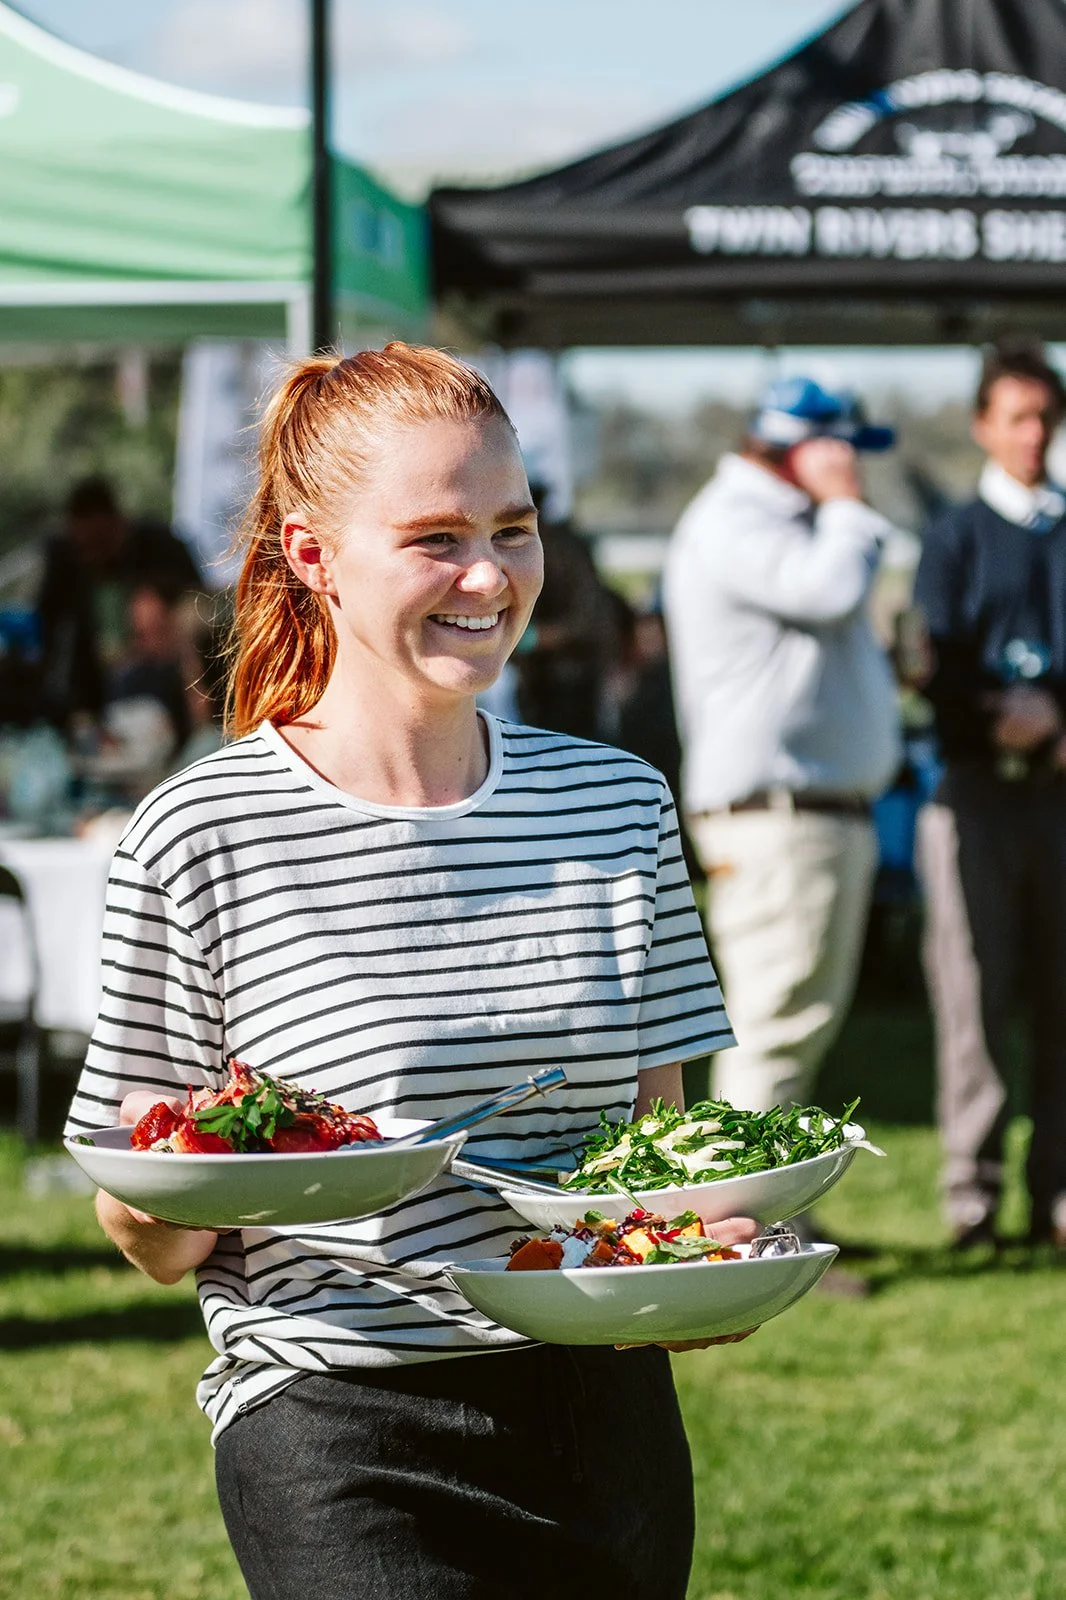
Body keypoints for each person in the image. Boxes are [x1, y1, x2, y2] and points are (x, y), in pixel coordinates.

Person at [65, 344, 752, 1600]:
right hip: (338, 1422)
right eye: (436, 536)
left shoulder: (617, 805)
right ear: (312, 555)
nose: (489, 574)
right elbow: (146, 1230)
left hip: (600, 1413)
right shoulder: (201, 833)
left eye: (514, 525)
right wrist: (202, 1178)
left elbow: (651, 1158)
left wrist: (716, 1257)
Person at [663, 377, 901, 1116]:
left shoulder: (774, 518)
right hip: (779, 814)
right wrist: (845, 505)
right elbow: (830, 589)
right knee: (776, 1028)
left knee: (792, 1025)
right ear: (811, 447)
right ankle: (745, 1227)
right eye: (843, 452)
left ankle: (771, 1218)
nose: (854, 469)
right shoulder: (738, 516)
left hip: (800, 812)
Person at [913, 339, 1066, 1250]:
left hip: (1057, 797)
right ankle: (972, 1197)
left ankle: (1056, 1196)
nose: (1033, 434)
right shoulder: (955, 536)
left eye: (1046, 417)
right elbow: (932, 662)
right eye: (1017, 416)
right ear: (984, 425)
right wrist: (992, 711)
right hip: (973, 794)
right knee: (972, 1004)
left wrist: (1051, 720)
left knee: (1062, 1004)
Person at [36, 476, 202, 725]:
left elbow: (198, 604)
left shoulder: (161, 549)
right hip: (94, 693)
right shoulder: (62, 562)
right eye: (84, 548)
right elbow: (46, 629)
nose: (93, 556)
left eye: (100, 543)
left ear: (119, 524)